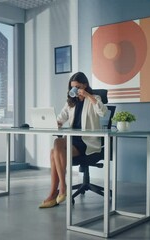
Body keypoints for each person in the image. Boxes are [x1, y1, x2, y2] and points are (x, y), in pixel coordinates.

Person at [39, 72, 108, 208]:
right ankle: (60, 190)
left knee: (55, 150)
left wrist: (88, 95)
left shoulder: (94, 98)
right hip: (73, 141)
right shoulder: (70, 102)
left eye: (77, 87)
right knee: (55, 149)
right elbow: (61, 118)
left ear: (84, 85)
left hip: (87, 142)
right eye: (72, 87)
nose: (74, 90)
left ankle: (57, 192)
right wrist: (55, 123)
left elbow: (103, 112)